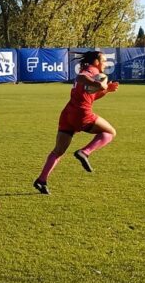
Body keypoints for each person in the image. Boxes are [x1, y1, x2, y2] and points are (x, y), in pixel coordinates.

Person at [33, 50, 119, 195]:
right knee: (111, 132)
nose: (105, 63)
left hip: (68, 113)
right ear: (96, 62)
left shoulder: (91, 71)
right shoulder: (93, 71)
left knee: (58, 151)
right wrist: (99, 83)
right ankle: (85, 152)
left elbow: (90, 95)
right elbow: (81, 78)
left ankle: (41, 180)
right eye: (103, 61)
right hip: (81, 113)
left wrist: (105, 90)